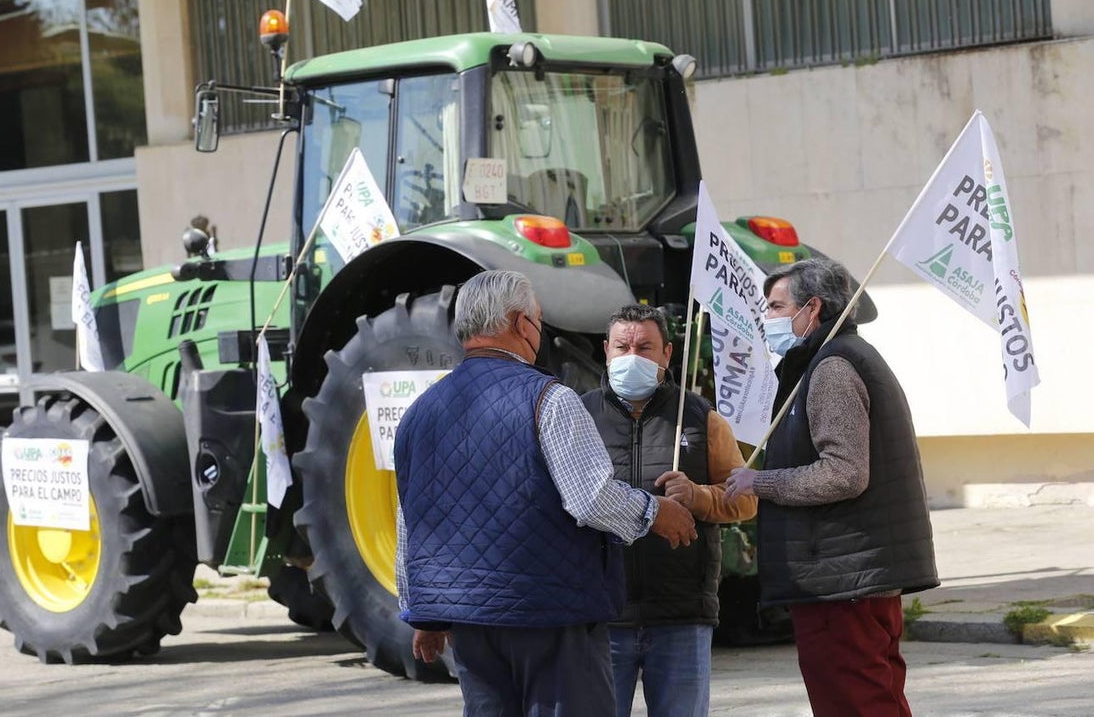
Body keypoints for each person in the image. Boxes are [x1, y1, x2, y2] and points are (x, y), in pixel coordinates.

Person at [394, 269, 698, 716]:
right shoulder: (549, 399)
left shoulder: (418, 413)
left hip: (470, 625)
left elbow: (410, 521)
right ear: (521, 324)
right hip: (551, 617)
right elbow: (590, 498)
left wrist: (422, 612)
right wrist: (655, 512)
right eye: (537, 319)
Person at [726, 258, 939, 717]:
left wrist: (759, 481)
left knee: (854, 701)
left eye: (776, 306)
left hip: (842, 581)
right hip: (853, 573)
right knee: (874, 696)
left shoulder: (833, 368)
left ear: (812, 308)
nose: (767, 317)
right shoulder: (835, 359)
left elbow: (844, 472)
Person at [581, 303, 758, 717]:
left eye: (645, 347)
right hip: (603, 615)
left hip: (681, 614)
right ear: (605, 351)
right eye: (622, 347)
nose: (632, 358)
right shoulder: (579, 416)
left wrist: (699, 497)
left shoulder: (700, 417)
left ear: (667, 355)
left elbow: (746, 499)